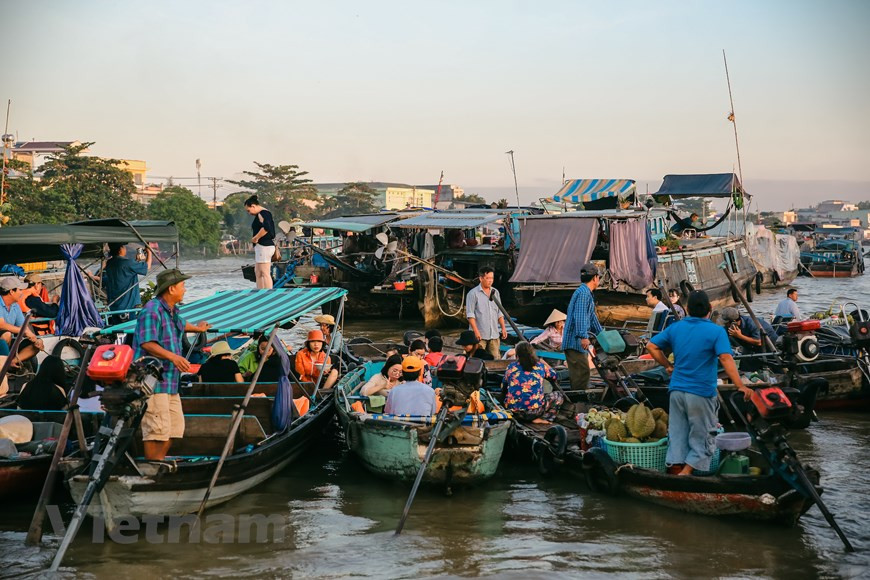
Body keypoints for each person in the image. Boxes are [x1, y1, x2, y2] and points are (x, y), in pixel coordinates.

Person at [646, 290, 753, 475]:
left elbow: (651, 346)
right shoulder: (716, 331)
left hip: (676, 392)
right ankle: (686, 473)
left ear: (687, 309)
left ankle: (676, 471)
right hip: (701, 393)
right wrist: (740, 385)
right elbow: (726, 358)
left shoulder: (676, 327)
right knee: (704, 436)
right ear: (710, 309)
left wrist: (667, 365)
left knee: (677, 434)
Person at [134, 268, 211, 461]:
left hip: (171, 382)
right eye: (182, 285)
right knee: (156, 431)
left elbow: (181, 324)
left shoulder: (171, 311)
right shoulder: (152, 310)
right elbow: (147, 343)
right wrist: (174, 358)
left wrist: (199, 329)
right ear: (171, 288)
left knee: (175, 428)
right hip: (153, 382)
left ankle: (158, 462)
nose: (185, 289)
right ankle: (153, 467)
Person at [562, 262, 603, 390]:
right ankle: (578, 399)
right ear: (595, 278)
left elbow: (592, 317)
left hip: (577, 342)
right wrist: (583, 336)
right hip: (574, 341)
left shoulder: (586, 293)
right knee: (581, 373)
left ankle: (580, 396)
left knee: (582, 372)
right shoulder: (583, 293)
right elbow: (579, 316)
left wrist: (602, 335)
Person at [502, 342, 564, 424]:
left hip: (513, 411)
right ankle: (545, 418)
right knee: (558, 395)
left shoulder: (511, 366)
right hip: (534, 412)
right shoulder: (540, 366)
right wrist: (544, 363)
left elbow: (504, 385)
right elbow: (554, 376)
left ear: (517, 355)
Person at [465, 266, 508, 359]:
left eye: (492, 278)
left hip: (494, 334)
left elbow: (499, 312)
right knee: (477, 359)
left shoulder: (495, 292)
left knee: (495, 360)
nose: (490, 281)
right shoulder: (473, 294)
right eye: (488, 278)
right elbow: (470, 315)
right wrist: (476, 331)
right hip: (480, 335)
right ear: (481, 278)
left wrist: (503, 328)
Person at [103, 242, 151, 323]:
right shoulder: (127, 263)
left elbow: (125, 273)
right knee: (128, 327)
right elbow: (147, 267)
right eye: (123, 247)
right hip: (127, 305)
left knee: (117, 327)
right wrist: (149, 252)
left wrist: (136, 261)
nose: (125, 249)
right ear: (120, 250)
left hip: (114, 305)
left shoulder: (110, 263)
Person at [0, 277, 43, 367]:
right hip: (3, 340)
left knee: (35, 345)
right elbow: (1, 325)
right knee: (6, 335)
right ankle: (4, 365)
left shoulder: (15, 306)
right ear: (11, 291)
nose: (21, 293)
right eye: (20, 290)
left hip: (9, 343)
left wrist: (35, 339)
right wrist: (25, 331)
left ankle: (12, 362)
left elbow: (23, 326)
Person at [245, 195, 276, 290]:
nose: (249, 213)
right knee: (258, 271)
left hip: (264, 246)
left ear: (253, 206)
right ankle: (260, 291)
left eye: (249, 210)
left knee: (265, 272)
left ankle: (268, 293)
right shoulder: (261, 214)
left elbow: (266, 228)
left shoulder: (263, 213)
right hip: (261, 246)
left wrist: (256, 238)